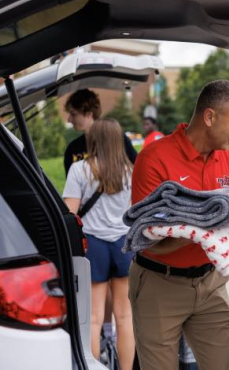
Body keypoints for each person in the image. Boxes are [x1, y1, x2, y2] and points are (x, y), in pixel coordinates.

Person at [129, 80, 229, 370]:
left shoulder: (227, 159)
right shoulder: (154, 159)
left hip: (211, 283)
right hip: (160, 285)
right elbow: (149, 240)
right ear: (209, 117)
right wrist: (201, 227)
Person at [62, 119, 135, 370]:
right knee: (125, 317)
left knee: (93, 319)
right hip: (124, 245)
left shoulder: (79, 170)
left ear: (92, 140)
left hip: (94, 246)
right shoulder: (131, 170)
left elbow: (70, 214)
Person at [64, 89, 138, 175]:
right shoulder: (72, 149)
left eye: (73, 114)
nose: (69, 120)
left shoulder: (117, 139)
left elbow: (137, 169)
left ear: (89, 114)